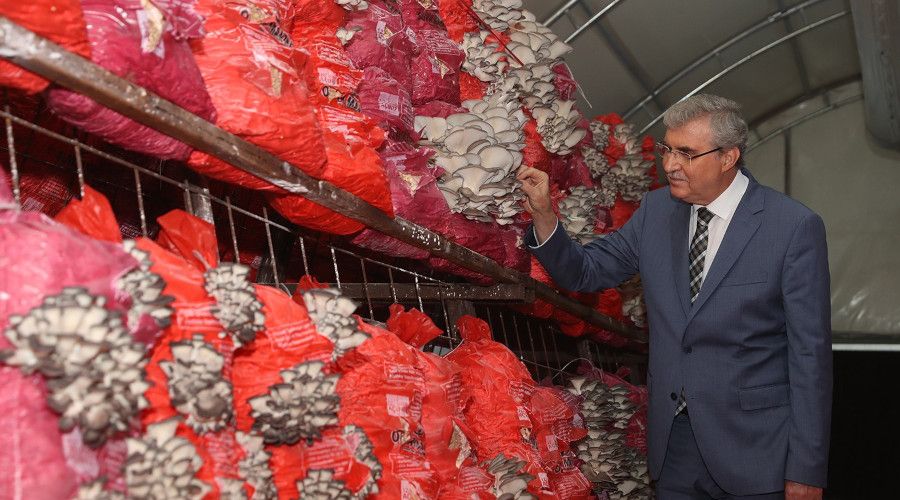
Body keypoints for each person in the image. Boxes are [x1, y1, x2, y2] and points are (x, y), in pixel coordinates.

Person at [518, 94, 832, 500]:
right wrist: (545, 215)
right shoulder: (656, 211)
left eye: (687, 153)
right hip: (675, 447)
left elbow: (810, 357)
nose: (669, 165)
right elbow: (585, 271)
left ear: (728, 156)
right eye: (667, 149)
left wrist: (806, 470)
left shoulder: (791, 226)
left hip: (756, 450)